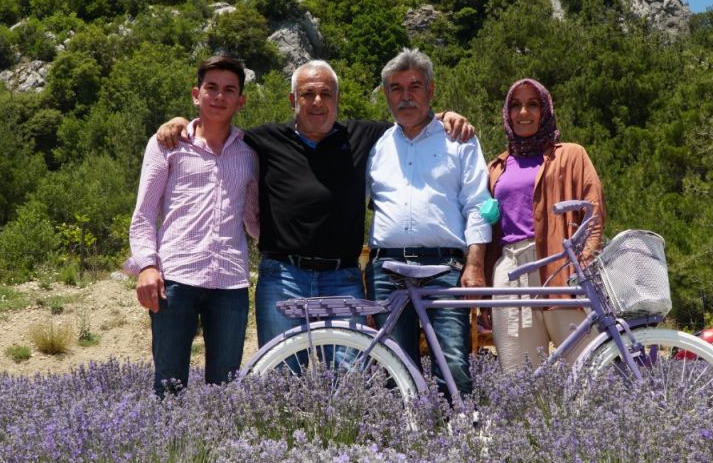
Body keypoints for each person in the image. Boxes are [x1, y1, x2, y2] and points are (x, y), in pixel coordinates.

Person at [155, 60, 475, 348]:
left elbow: (413, 121)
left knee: (346, 376)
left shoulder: (365, 136)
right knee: (284, 375)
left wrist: (445, 116)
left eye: (326, 94)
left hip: (343, 278)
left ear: (337, 99)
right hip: (283, 277)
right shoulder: (264, 140)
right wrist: (181, 122)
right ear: (293, 101)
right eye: (308, 94)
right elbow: (217, 130)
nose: (317, 102)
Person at [125, 55, 259, 397]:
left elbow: (254, 220)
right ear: (195, 94)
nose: (219, 96)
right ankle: (168, 451)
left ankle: (215, 452)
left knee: (225, 390)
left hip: (230, 283)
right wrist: (147, 267)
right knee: (169, 387)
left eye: (230, 90)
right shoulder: (166, 144)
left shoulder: (250, 153)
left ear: (240, 101)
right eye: (211, 88)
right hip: (176, 280)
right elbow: (143, 215)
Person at [366, 48, 492, 398]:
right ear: (386, 94)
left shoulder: (459, 139)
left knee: (452, 363)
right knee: (394, 367)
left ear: (431, 90)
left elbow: (478, 204)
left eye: (415, 86)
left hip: (445, 267)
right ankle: (402, 446)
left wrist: (476, 263)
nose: (405, 96)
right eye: (396, 88)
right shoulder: (374, 145)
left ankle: (461, 438)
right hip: (386, 271)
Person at [484, 77, 605, 373]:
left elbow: (594, 212)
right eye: (516, 105)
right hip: (511, 272)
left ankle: (586, 422)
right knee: (519, 374)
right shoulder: (496, 167)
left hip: (562, 269)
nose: (523, 113)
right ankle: (526, 423)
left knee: (584, 370)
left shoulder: (572, 155)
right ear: (507, 114)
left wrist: (584, 264)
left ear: (545, 110)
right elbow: (486, 233)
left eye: (532, 104)